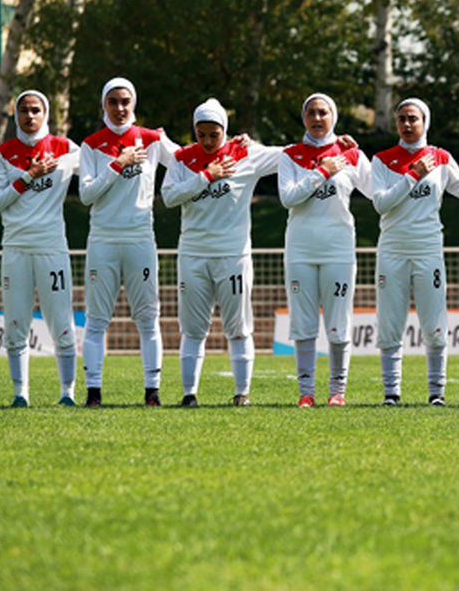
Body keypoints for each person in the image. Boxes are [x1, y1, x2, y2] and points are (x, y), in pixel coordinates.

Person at [160, 98, 282, 407]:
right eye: (201, 134)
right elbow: (169, 197)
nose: (208, 141)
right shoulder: (182, 159)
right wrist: (206, 176)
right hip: (193, 255)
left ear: (224, 131)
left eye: (214, 134)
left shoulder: (245, 154)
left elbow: (290, 155)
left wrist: (336, 146)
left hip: (233, 256)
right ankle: (189, 394)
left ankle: (242, 394)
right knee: (192, 328)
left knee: (239, 327)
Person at [79, 78, 178, 407]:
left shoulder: (151, 139)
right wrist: (117, 165)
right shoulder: (92, 144)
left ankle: (153, 391)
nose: (120, 108)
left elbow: (189, 159)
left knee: (148, 317)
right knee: (96, 320)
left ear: (133, 103)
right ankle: (93, 392)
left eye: (125, 101)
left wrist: (237, 147)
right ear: (103, 105)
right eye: (113, 102)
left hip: (140, 238)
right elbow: (86, 194)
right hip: (103, 239)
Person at [371, 98, 459, 406]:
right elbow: (381, 203)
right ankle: (391, 393)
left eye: (413, 118)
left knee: (435, 323)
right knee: (390, 323)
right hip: (393, 250)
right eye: (402, 119)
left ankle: (436, 393)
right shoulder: (383, 159)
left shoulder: (441, 157)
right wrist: (412, 176)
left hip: (429, 250)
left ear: (425, 121)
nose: (407, 124)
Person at [0, 90, 81, 407]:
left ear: (46, 113)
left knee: (61, 322)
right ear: (15, 114)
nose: (30, 116)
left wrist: (157, 143)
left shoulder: (65, 148)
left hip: (52, 248)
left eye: (36, 110)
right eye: (24, 110)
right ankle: (20, 394)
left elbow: (102, 163)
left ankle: (67, 393)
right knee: (15, 323)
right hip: (15, 249)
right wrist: (28, 177)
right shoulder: (2, 154)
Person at [278, 93, 371, 408]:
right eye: (311, 113)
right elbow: (288, 198)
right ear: (303, 118)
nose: (317, 119)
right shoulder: (290, 155)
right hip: (300, 249)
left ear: (334, 116)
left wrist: (357, 152)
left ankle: (337, 391)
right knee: (303, 322)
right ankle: (306, 392)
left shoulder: (350, 155)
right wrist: (321, 172)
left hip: (339, 249)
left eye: (323, 112)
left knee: (338, 321)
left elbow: (376, 191)